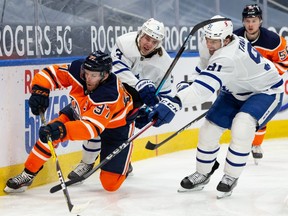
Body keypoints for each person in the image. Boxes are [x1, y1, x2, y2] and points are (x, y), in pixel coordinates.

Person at [148, 15, 283, 199]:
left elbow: (203, 89)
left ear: (227, 40)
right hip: (235, 90)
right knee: (208, 130)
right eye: (208, 39)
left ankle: (230, 176)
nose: (210, 44)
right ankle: (203, 173)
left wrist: (174, 102)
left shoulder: (230, 55)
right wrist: (182, 90)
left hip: (266, 91)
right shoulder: (213, 44)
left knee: (242, 126)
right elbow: (203, 70)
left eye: (215, 41)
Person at [4, 50, 138, 193]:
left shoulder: (109, 94)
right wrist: (40, 90)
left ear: (105, 75)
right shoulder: (78, 70)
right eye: (86, 73)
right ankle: (28, 174)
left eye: (93, 75)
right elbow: (51, 74)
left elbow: (90, 128)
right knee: (49, 132)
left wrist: (62, 130)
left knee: (110, 185)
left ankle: (124, 163)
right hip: (82, 110)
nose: (88, 78)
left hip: (116, 127)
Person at [67, 18, 173, 180]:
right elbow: (117, 68)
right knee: (95, 124)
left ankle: (122, 160)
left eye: (154, 41)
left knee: (120, 133)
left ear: (159, 43)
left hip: (133, 101)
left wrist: (150, 110)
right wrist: (139, 84)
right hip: (110, 91)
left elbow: (165, 93)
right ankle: (87, 162)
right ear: (140, 33)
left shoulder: (164, 63)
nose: (148, 44)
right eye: (146, 38)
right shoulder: (124, 42)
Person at [233, 4, 288, 162]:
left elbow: (285, 62)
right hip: (242, 85)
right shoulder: (234, 39)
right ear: (243, 21)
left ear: (260, 21)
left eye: (254, 20)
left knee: (259, 117)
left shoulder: (274, 41)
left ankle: (256, 144)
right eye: (248, 20)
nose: (251, 24)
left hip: (265, 86)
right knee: (238, 116)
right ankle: (240, 143)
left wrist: (265, 78)